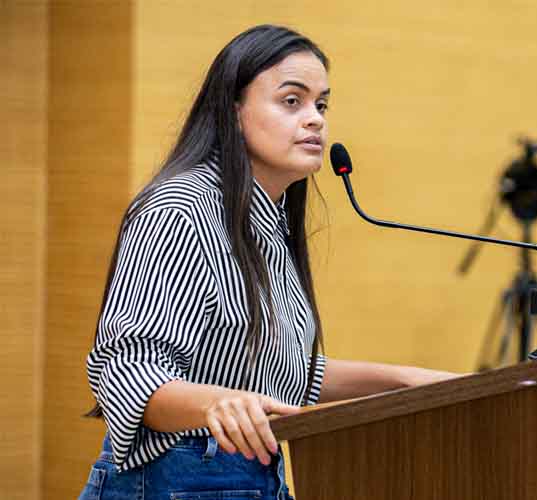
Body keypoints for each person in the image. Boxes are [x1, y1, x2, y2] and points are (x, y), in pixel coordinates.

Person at [78, 24, 457, 500]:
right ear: (234, 113)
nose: (315, 120)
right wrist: (218, 403)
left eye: (321, 105)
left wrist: (409, 380)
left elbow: (275, 371)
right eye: (292, 101)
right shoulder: (181, 209)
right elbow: (126, 368)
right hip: (176, 479)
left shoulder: (267, 221)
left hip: (249, 477)